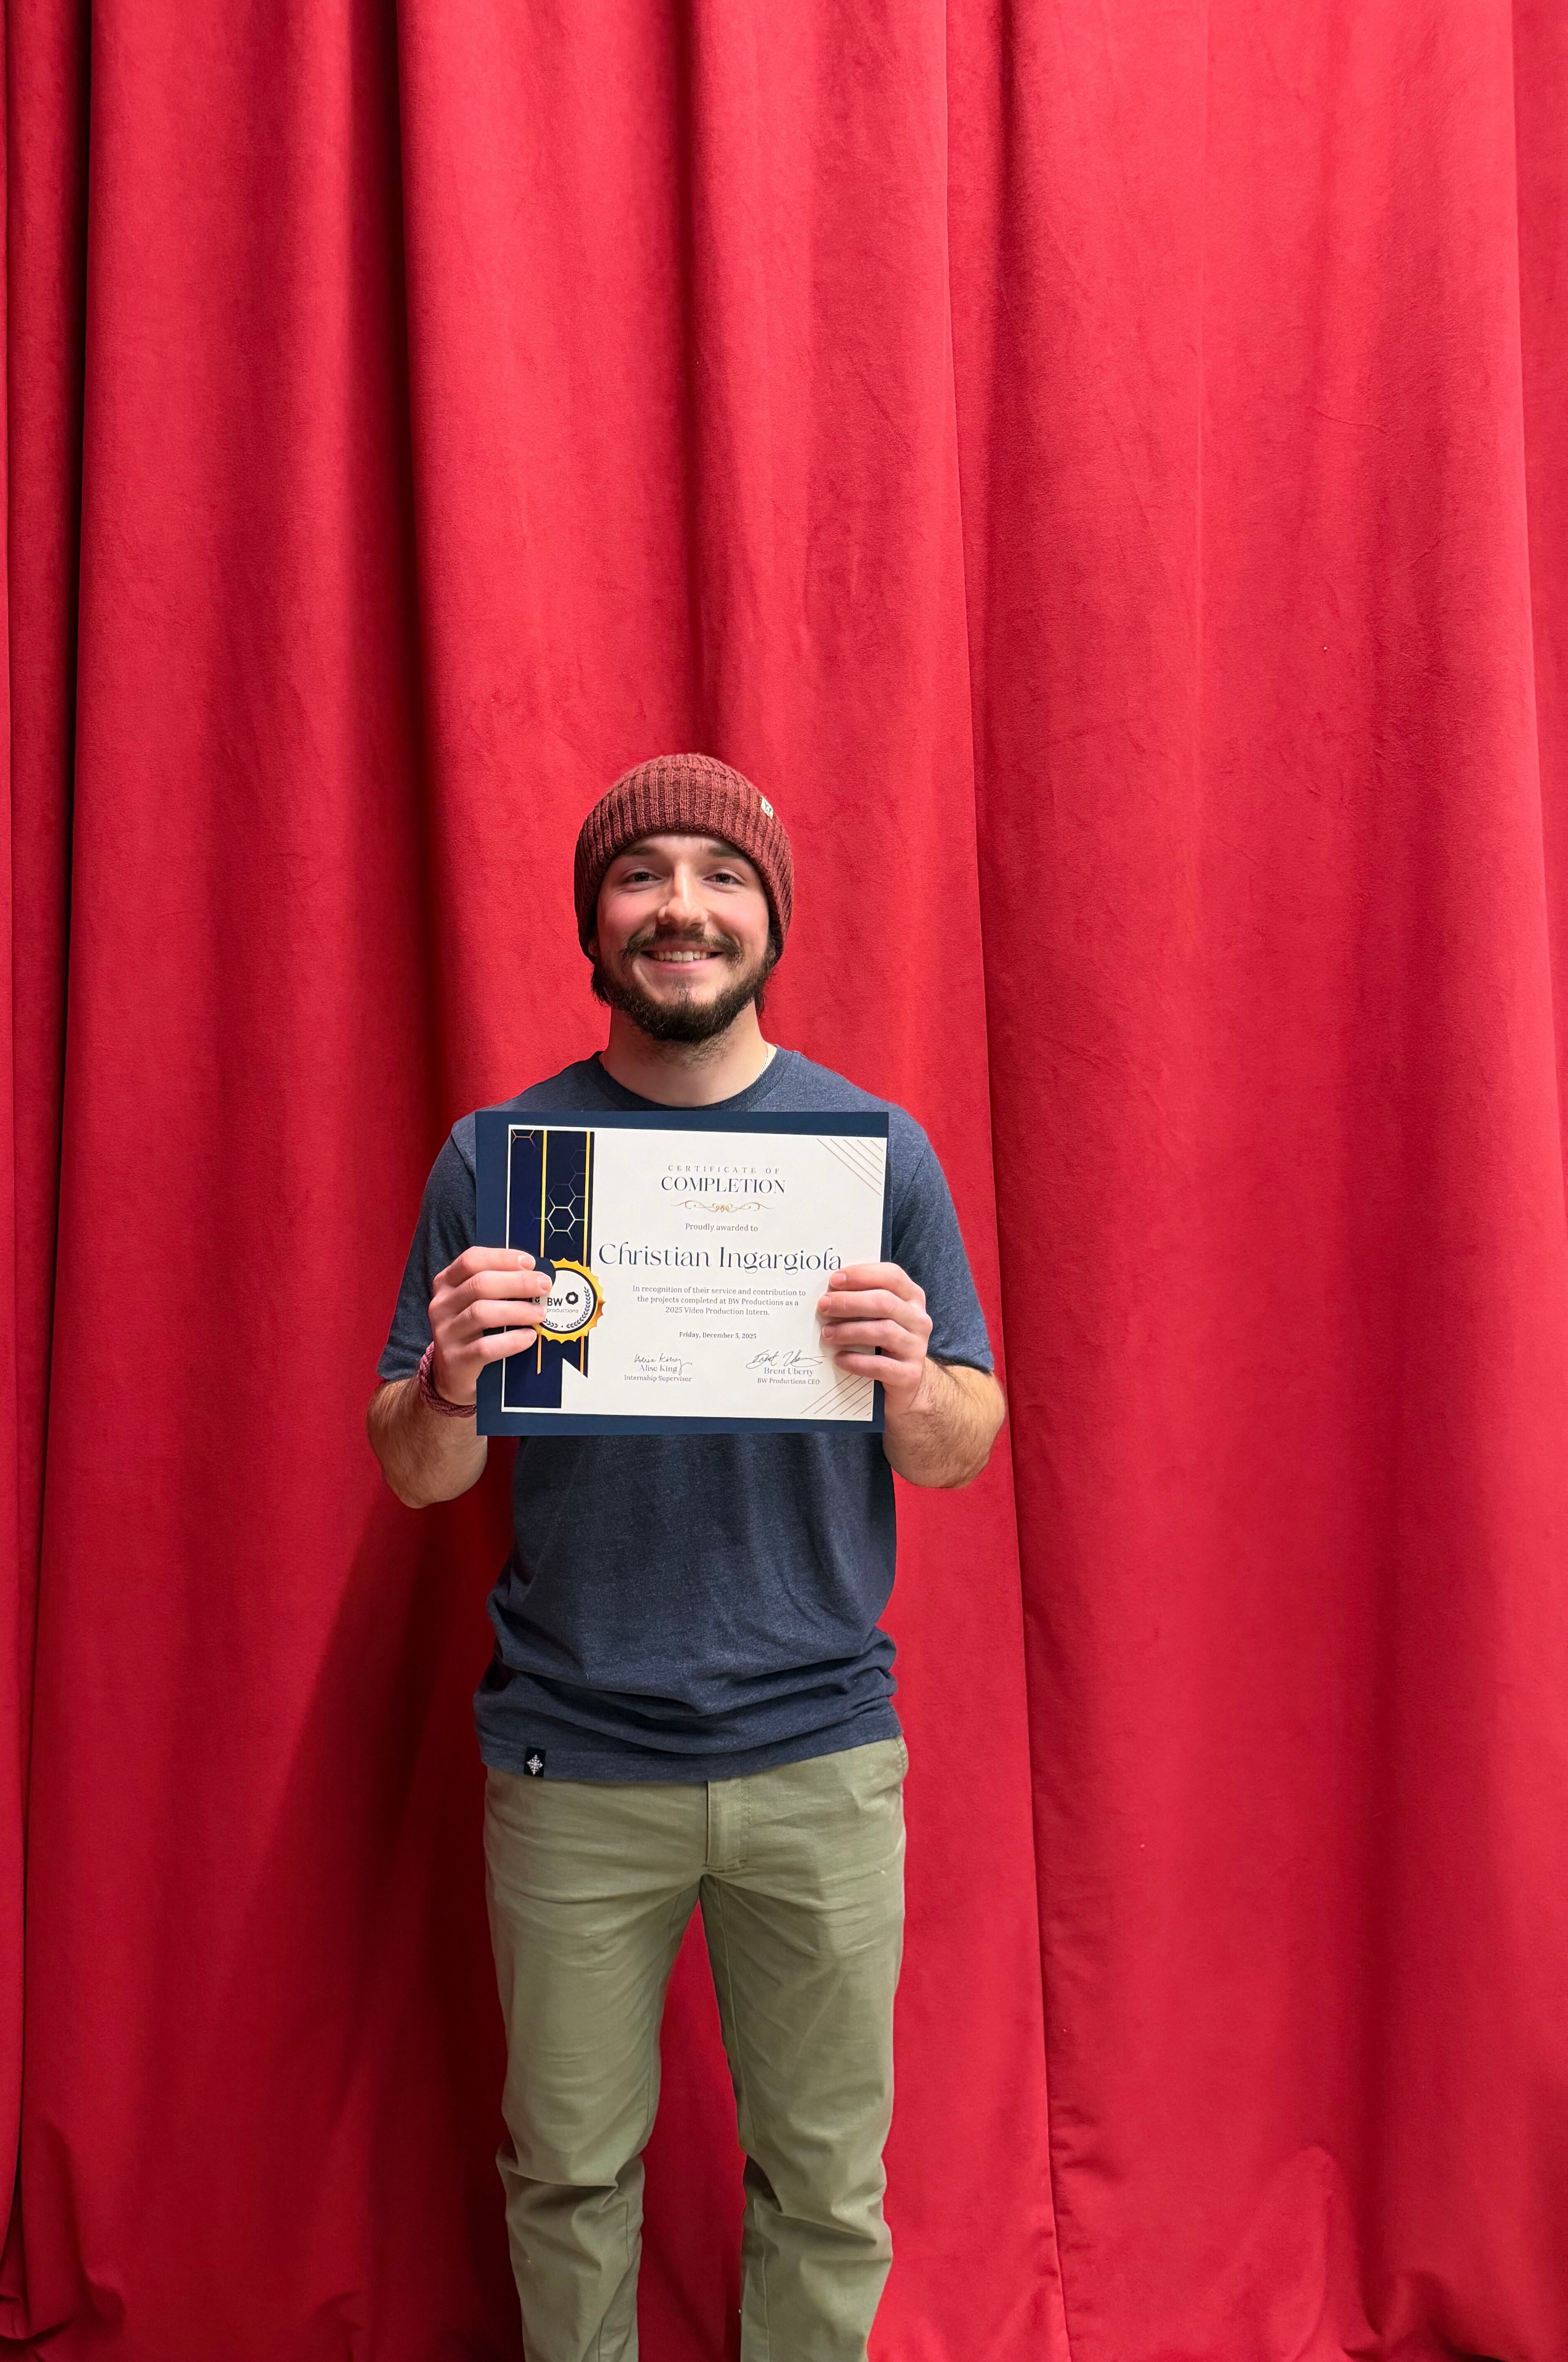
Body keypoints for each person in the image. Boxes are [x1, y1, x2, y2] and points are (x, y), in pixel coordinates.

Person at [367, 752, 1006, 2362]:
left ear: (770, 922)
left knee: (824, 2185)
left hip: (819, 1753)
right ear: (595, 925)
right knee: (569, 2180)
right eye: (642, 877)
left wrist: (915, 1379)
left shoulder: (872, 1157)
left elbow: (965, 1444)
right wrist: (449, 1379)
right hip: (574, 1761)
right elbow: (417, 1472)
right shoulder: (505, 1166)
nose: (682, 909)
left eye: (721, 879)